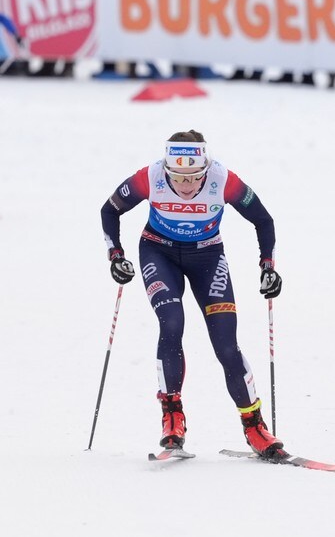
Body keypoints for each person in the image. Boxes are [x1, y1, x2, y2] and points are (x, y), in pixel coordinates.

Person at [100, 130, 285, 456]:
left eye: (194, 178)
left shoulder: (224, 180)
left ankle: (254, 426)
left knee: (227, 346)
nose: (186, 186)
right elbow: (110, 209)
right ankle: (172, 415)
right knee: (171, 323)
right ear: (167, 170)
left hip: (208, 257)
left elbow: (263, 220)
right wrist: (116, 256)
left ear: (206, 170)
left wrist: (267, 266)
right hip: (159, 252)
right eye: (178, 178)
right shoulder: (150, 176)